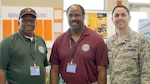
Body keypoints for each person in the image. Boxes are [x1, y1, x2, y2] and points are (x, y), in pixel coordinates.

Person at [50, 4, 108, 84]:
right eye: (70, 15)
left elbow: (102, 72)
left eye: (77, 15)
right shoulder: (59, 40)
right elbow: (54, 70)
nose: (73, 18)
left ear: (83, 16)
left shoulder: (97, 40)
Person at [0, 7, 49, 84]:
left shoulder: (40, 41)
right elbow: (1, 69)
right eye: (25, 21)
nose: (29, 23)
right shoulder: (7, 42)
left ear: (36, 23)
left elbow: (44, 67)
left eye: (32, 21)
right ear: (19, 23)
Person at [106, 5, 150, 84]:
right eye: (116, 15)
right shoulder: (109, 42)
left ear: (129, 18)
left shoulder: (140, 39)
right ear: (112, 19)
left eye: (123, 15)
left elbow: (147, 69)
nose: (120, 18)